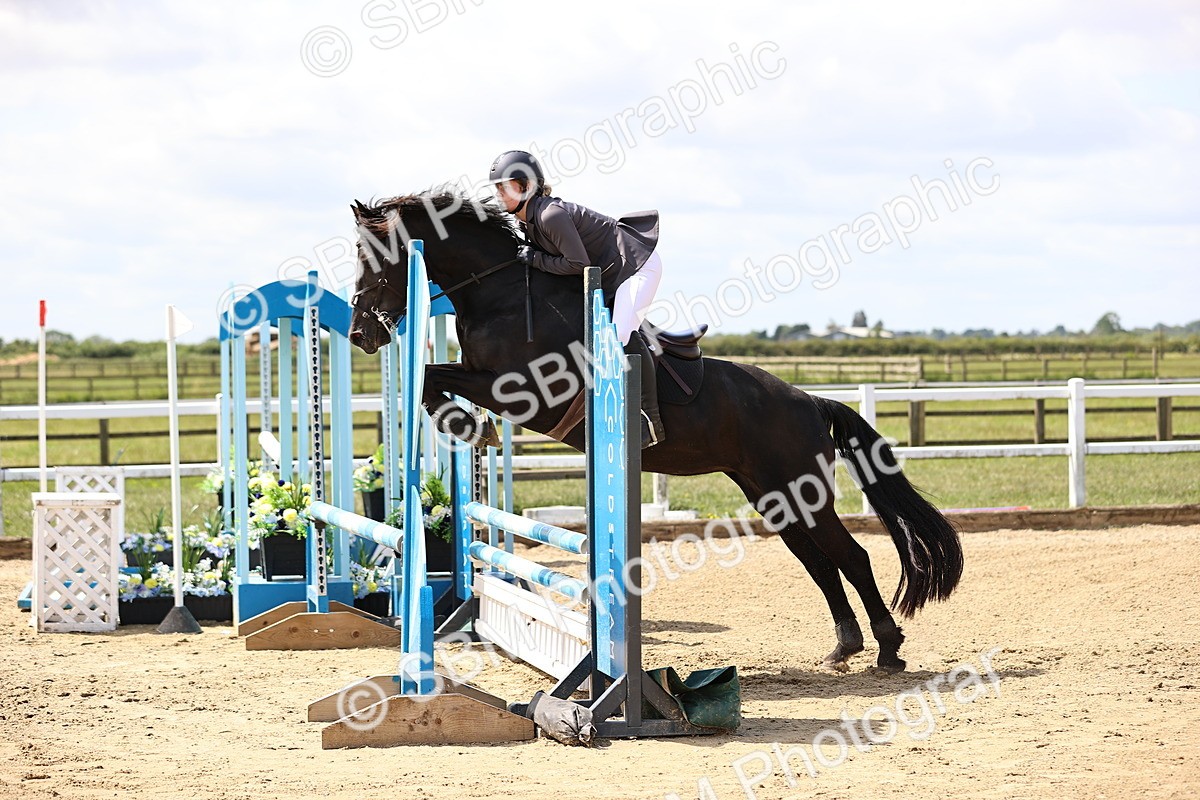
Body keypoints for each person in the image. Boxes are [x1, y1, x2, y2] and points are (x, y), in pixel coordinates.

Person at [490, 149, 665, 448]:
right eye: (497, 188)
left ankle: (648, 421)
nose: (498, 196)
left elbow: (579, 264)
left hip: (637, 266)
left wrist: (534, 259)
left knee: (619, 333)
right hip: (610, 274)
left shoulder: (550, 215)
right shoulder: (526, 222)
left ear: (526, 187)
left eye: (504, 188)